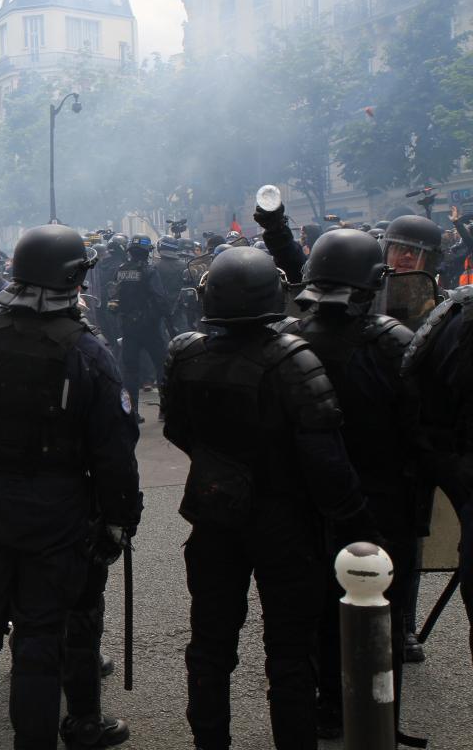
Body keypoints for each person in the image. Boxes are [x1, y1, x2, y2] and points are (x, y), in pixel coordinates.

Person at [161, 247, 378, 750]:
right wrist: (359, 524)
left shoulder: (185, 353)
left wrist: (223, 466)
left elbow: (177, 429)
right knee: (289, 654)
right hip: (285, 521)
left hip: (214, 512)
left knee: (210, 647)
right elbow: (326, 458)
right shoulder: (291, 358)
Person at [0, 224, 141, 750]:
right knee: (38, 642)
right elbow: (114, 450)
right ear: (72, 278)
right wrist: (121, 519)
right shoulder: (88, 351)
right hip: (55, 512)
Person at [284, 228, 423, 737]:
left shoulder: (288, 340)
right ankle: (377, 716)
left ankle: (328, 707)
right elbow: (420, 428)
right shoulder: (394, 344)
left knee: (321, 606)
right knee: (383, 607)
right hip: (381, 500)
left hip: (310, 498)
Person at [402, 287, 473, 669]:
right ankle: (403, 626)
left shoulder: (448, 305)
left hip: (446, 452)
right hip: (434, 446)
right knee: (408, 531)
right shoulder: (457, 312)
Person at [109, 235, 169, 424]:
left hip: (128, 328)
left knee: (130, 372)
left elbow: (113, 300)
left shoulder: (120, 271)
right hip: (150, 328)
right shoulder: (149, 271)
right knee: (162, 367)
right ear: (146, 252)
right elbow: (160, 299)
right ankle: (165, 411)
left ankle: (131, 413)